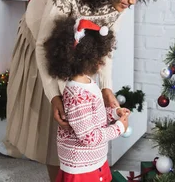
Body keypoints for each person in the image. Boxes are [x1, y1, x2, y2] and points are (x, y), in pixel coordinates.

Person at [0, 0, 160, 182]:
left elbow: (106, 44)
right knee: (55, 123)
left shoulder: (119, 1)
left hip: (77, 50)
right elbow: (46, 46)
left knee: (75, 122)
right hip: (43, 46)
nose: (133, 1)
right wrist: (55, 96)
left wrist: (106, 88)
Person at [45, 17, 130, 182]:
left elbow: (93, 117)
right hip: (81, 166)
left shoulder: (88, 84)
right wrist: (119, 128)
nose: (102, 61)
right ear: (90, 59)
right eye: (100, 56)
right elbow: (88, 137)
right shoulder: (77, 94)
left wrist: (113, 113)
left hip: (93, 159)